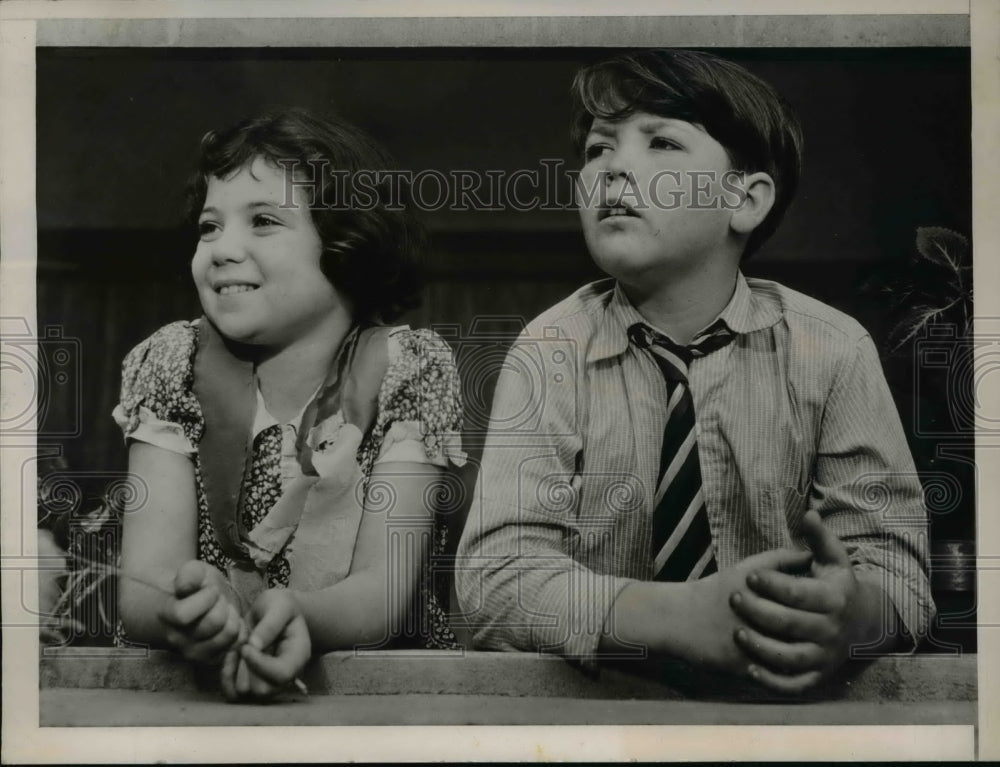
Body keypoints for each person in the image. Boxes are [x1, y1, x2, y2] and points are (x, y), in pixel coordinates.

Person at [456, 49, 934, 694]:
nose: (612, 168)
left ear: (745, 200)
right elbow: (495, 582)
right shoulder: (549, 350)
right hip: (599, 715)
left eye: (662, 143)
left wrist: (852, 617)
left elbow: (900, 573)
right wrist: (674, 618)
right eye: (598, 149)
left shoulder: (833, 349)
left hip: (781, 711)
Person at [115, 108, 464, 700]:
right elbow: (142, 586)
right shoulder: (173, 364)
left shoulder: (411, 370)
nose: (222, 249)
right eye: (209, 227)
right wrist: (189, 606)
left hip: (374, 695)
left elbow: (383, 590)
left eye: (263, 221)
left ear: (348, 242)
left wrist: (298, 612)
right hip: (200, 697)